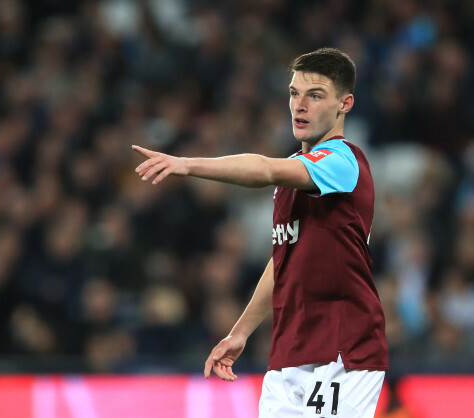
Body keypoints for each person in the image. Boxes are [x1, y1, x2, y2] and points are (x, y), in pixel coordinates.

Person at [133, 47, 388, 418]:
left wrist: (188, 163)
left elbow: (265, 169)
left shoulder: (343, 160)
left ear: (344, 104)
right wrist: (241, 331)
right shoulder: (294, 176)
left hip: (343, 349)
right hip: (290, 350)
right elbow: (284, 259)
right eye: (293, 93)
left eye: (315, 95)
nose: (299, 105)